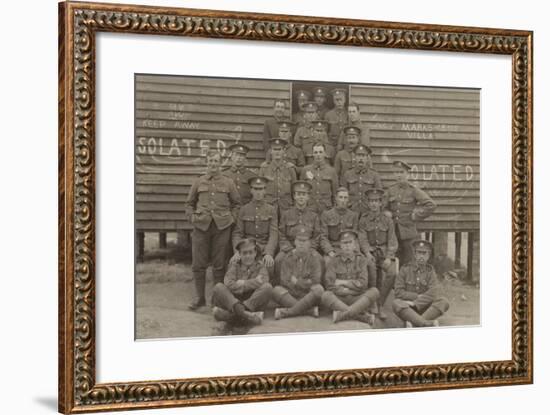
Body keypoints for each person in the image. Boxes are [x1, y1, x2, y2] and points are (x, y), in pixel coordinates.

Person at [185, 149, 241, 310]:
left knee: (219, 264)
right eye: (210, 161)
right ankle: (199, 297)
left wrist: (231, 219)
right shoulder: (198, 182)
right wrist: (193, 218)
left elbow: (237, 203)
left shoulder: (228, 182)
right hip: (201, 226)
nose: (213, 164)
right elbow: (189, 203)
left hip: (221, 227)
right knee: (198, 263)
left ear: (220, 163)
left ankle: (217, 298)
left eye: (216, 161)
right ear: (206, 163)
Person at [385, 160, 437, 266]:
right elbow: (383, 207)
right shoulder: (390, 190)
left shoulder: (413, 190)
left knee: (410, 263)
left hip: (409, 233)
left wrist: (416, 215)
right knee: (394, 264)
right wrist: (387, 212)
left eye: (401, 172)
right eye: (396, 172)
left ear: (407, 174)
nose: (399, 175)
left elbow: (431, 205)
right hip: (393, 234)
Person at [321, 230, 379, 324]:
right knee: (325, 295)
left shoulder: (361, 259)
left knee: (374, 291)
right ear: (340, 245)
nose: (347, 245)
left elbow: (363, 284)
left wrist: (342, 283)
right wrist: (350, 288)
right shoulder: (334, 260)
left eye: (350, 242)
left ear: (355, 244)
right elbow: (330, 284)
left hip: (358, 298)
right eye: (344, 243)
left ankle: (342, 314)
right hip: (339, 298)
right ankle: (360, 316)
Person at [358, 188, 398, 320]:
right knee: (370, 266)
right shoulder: (363, 219)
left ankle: (380, 303)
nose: (374, 204)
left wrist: (389, 257)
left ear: (381, 203)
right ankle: (373, 302)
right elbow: (362, 238)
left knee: (392, 272)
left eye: (376, 201)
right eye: (371, 201)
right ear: (368, 203)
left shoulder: (387, 220)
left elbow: (392, 240)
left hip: (384, 253)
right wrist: (367, 252)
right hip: (371, 253)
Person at [211, 238, 272, 325]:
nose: (248, 256)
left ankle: (233, 315)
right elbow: (228, 283)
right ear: (239, 254)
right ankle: (246, 315)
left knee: (267, 287)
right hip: (234, 300)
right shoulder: (234, 266)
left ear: (255, 253)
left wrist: (243, 283)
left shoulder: (260, 266)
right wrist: (254, 282)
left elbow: (264, 280)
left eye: (250, 252)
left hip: (251, 302)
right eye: (244, 253)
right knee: (218, 287)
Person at [392, 239, 449, 327]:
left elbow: (434, 292)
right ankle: (426, 323)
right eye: (419, 253)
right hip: (408, 308)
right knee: (396, 303)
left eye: (424, 253)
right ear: (415, 254)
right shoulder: (405, 269)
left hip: (426, 308)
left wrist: (416, 303)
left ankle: (415, 323)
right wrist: (415, 297)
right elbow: (398, 292)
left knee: (444, 301)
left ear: (428, 255)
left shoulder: (430, 271)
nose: (421, 256)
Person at [272, 225, 324, 319]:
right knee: (276, 290)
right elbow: (285, 281)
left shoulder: (314, 258)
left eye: (304, 241)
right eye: (299, 240)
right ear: (295, 242)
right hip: (291, 294)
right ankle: (308, 310)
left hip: (308, 295)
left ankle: (287, 313)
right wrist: (305, 282)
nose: (301, 244)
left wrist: (297, 282)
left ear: (309, 243)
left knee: (319, 289)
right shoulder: (287, 258)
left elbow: (316, 281)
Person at [274, 181, 322, 282]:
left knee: (320, 259)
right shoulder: (286, 214)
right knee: (279, 260)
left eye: (304, 194)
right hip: (290, 247)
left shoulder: (314, 216)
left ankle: (316, 286)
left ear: (308, 197)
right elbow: (281, 234)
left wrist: (310, 248)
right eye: (299, 194)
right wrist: (290, 249)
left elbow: (317, 236)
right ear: (294, 196)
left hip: (308, 247)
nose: (301, 197)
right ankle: (281, 285)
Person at [231, 176, 278, 278]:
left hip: (264, 248)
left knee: (269, 265)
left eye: (261, 189)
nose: (258, 192)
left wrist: (269, 253)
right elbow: (238, 233)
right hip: (247, 247)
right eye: (255, 189)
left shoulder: (271, 210)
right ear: (251, 190)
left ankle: (266, 292)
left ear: (265, 190)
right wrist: (237, 252)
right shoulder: (244, 209)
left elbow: (274, 234)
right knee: (233, 265)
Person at [340, 144, 382, 215]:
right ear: (354, 157)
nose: (361, 158)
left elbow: (379, 195)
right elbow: (343, 193)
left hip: (368, 212)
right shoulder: (348, 174)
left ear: (367, 158)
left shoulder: (374, 175)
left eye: (363, 156)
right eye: (358, 155)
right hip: (351, 211)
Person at [319, 187, 359, 262]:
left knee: (360, 262)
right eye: (340, 197)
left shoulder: (353, 215)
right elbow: (323, 237)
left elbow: (355, 237)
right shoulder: (326, 215)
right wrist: (330, 251)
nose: (343, 200)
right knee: (327, 262)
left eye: (345, 198)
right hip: (333, 248)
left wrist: (354, 251)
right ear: (336, 199)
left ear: (348, 200)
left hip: (349, 248)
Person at [259, 138, 297, 214]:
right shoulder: (264, 168)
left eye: (279, 149)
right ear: (271, 151)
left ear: (284, 151)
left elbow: (294, 190)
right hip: (269, 207)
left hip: (286, 207)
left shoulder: (290, 169)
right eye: (275, 149)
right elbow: (260, 190)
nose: (277, 152)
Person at [300, 142, 338, 214]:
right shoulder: (305, 170)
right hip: (309, 209)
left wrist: (333, 209)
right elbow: (302, 190)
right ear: (312, 154)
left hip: (326, 209)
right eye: (316, 152)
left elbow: (335, 193)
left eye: (320, 152)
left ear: (324, 154)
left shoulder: (331, 171)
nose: (318, 155)